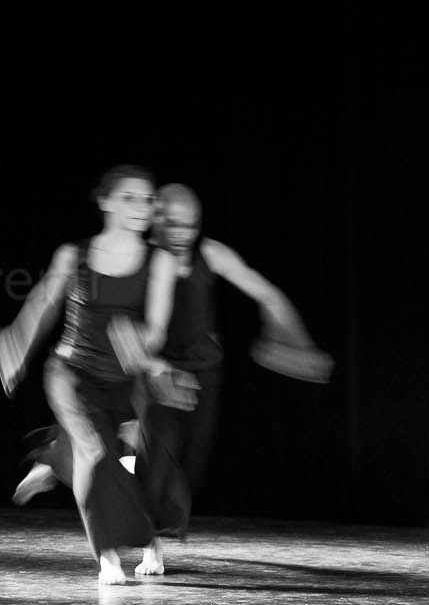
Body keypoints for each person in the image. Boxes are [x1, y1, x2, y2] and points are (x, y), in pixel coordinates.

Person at [0, 165, 194, 584]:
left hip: (128, 380)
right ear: (105, 201)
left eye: (147, 199)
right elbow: (43, 302)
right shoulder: (74, 255)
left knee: (133, 462)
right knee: (96, 453)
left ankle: (141, 533)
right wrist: (17, 341)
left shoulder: (159, 261)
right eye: (129, 198)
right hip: (72, 374)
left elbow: (156, 330)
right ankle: (107, 555)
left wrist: (140, 340)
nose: (141, 207)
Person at [128, 183, 332, 560]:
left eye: (190, 225)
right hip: (158, 372)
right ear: (156, 220)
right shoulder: (141, 259)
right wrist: (152, 366)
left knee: (193, 463)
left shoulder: (210, 253)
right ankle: (148, 537)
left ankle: (135, 476)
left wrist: (298, 344)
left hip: (204, 374)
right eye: (174, 224)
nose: (183, 234)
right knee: (159, 453)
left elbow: (267, 294)